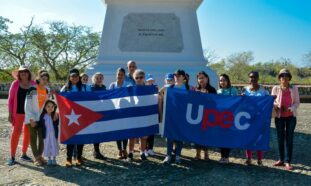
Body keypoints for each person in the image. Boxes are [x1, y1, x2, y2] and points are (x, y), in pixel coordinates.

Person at [61, 68, 91, 167]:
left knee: (80, 138)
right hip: (69, 116)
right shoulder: (65, 88)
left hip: (81, 116)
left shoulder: (85, 88)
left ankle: (79, 157)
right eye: (72, 76)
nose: (74, 78)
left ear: (79, 77)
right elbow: (60, 100)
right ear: (69, 77)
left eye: (76, 76)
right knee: (70, 138)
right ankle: (69, 159)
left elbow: (90, 100)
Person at [271, 69, 300, 170]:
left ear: (289, 78)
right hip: (279, 117)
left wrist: (291, 108)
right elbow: (272, 100)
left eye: (286, 75)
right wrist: (277, 106)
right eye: (282, 76)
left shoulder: (294, 88)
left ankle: (288, 161)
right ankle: (281, 159)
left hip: (291, 117)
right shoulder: (275, 88)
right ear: (279, 78)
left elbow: (297, 102)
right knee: (280, 138)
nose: (284, 77)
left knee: (289, 139)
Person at [7, 65, 35, 165]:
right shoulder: (15, 84)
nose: (23, 73)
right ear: (19, 74)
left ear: (29, 73)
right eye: (21, 72)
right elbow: (10, 100)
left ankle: (24, 154)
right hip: (17, 113)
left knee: (28, 134)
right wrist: (10, 114)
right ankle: (12, 156)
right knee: (16, 133)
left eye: (26, 71)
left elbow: (39, 98)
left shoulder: (33, 84)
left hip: (30, 114)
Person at [161, 69, 191, 164]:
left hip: (182, 115)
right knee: (169, 136)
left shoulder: (187, 88)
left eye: (178, 75)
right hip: (171, 115)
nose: (176, 77)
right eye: (175, 75)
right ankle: (168, 155)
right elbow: (160, 93)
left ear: (183, 77)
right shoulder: (170, 87)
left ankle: (178, 155)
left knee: (179, 136)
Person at [24, 70, 51, 166]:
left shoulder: (47, 90)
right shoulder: (32, 89)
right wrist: (31, 119)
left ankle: (40, 156)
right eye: (43, 79)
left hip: (42, 118)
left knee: (42, 137)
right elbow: (27, 105)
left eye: (46, 80)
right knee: (33, 138)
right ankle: (36, 158)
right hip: (31, 117)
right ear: (38, 79)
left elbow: (48, 104)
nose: (44, 81)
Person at [242, 71, 269, 166]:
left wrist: (272, 99)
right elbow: (242, 103)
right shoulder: (245, 90)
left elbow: (267, 102)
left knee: (259, 138)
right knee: (248, 137)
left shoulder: (263, 90)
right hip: (248, 117)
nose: (252, 78)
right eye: (250, 77)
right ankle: (248, 158)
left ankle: (260, 159)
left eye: (254, 77)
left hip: (260, 118)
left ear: (258, 78)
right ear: (248, 78)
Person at [109, 68, 132, 159]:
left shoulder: (128, 84)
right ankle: (120, 150)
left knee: (124, 131)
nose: (120, 76)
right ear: (116, 75)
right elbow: (109, 97)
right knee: (117, 131)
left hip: (125, 111)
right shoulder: (112, 85)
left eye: (121, 74)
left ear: (124, 75)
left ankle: (125, 149)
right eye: (118, 74)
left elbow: (132, 92)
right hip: (115, 111)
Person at [194, 71, 217, 160]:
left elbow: (215, 103)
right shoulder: (196, 89)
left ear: (207, 78)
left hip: (208, 115)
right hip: (197, 116)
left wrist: (207, 96)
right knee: (197, 135)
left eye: (203, 77)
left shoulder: (212, 90)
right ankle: (198, 153)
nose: (201, 80)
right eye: (199, 78)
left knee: (206, 135)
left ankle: (206, 153)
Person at [127, 69, 149, 161]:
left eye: (141, 77)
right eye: (137, 77)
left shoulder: (148, 89)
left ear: (144, 78)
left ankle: (142, 152)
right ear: (134, 78)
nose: (139, 79)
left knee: (143, 136)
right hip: (133, 115)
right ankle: (130, 153)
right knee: (132, 136)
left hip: (144, 115)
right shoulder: (131, 88)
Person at [217, 74, 238, 164]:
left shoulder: (233, 90)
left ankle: (227, 157)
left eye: (224, 80)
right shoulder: (218, 91)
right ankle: (222, 156)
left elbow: (236, 102)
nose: (223, 82)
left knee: (228, 138)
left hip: (230, 117)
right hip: (220, 117)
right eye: (221, 80)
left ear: (228, 81)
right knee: (221, 138)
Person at [90, 72, 107, 160]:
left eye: (100, 78)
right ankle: (96, 151)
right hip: (93, 112)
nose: (99, 79)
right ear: (94, 79)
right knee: (95, 131)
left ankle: (96, 151)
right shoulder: (91, 88)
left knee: (99, 132)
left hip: (101, 112)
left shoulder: (104, 87)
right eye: (97, 78)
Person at [39, 100, 59, 166]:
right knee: (47, 145)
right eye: (48, 106)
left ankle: (54, 159)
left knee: (54, 145)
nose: (50, 108)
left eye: (52, 106)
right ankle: (49, 159)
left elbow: (58, 124)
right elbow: (40, 125)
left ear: (54, 107)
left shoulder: (56, 116)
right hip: (46, 135)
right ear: (45, 107)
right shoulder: (43, 116)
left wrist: (57, 119)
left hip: (53, 135)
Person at [145, 74, 157, 156]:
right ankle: (144, 149)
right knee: (145, 133)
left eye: (152, 81)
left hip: (153, 113)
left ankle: (150, 149)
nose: (150, 82)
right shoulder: (144, 89)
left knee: (152, 132)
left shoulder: (155, 88)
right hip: (145, 114)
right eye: (149, 81)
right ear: (146, 81)